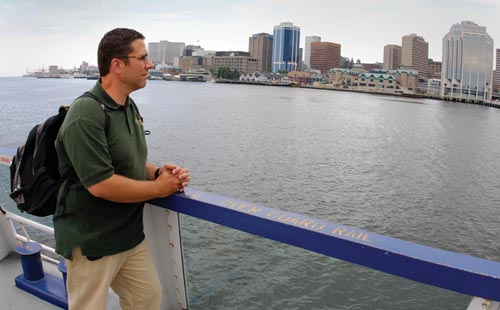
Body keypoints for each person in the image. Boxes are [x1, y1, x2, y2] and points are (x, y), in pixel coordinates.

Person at [54, 28, 190, 310]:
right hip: (92, 240)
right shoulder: (86, 114)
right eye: (142, 58)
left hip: (128, 235)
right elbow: (100, 184)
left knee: (147, 299)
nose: (150, 65)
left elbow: (127, 161)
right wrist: (157, 189)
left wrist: (157, 173)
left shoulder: (128, 106)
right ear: (117, 64)